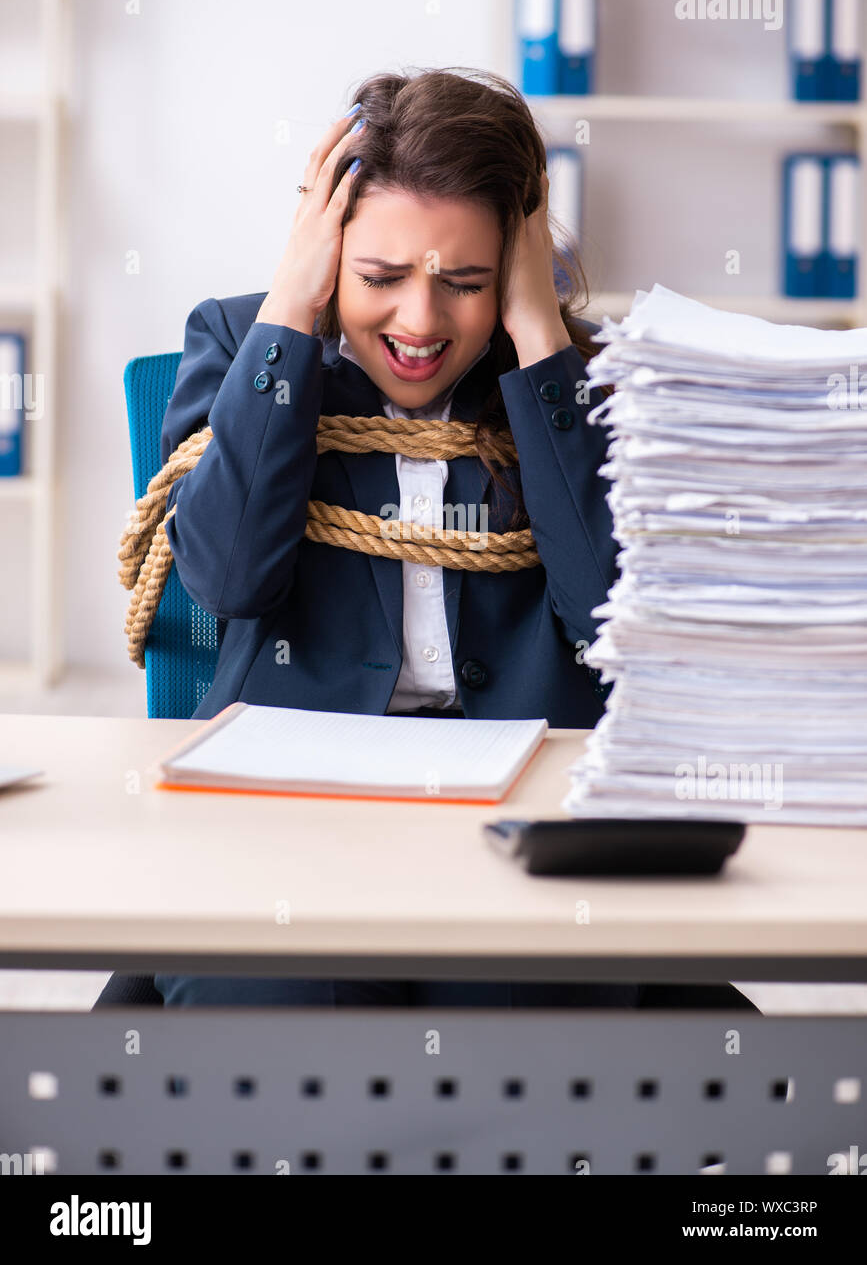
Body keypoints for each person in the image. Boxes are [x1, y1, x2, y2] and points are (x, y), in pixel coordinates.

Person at [134, 67, 755, 1013]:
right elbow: (225, 580)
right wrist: (292, 315)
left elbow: (606, 619)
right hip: (294, 805)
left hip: (526, 804)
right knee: (277, 1034)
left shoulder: (576, 376)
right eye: (379, 278)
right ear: (327, 246)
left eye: (463, 283)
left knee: (525, 1032)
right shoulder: (244, 340)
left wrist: (540, 337)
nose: (420, 324)